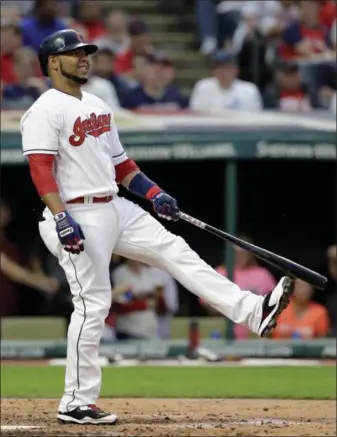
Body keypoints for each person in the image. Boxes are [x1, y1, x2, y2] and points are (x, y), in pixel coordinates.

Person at [20, 29, 294, 425]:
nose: (84, 58)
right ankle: (75, 401)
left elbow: (122, 166)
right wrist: (62, 217)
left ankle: (252, 310)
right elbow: (40, 169)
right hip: (76, 212)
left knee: (176, 250)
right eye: (75, 53)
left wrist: (154, 194)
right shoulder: (45, 109)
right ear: (52, 63)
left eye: (86, 52)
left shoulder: (97, 103)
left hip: (114, 203)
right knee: (93, 304)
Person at [201, 235, 277, 339]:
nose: (240, 256)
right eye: (236, 252)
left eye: (243, 252)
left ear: (250, 254)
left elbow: (274, 303)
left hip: (253, 330)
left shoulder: (262, 274)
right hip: (222, 330)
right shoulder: (220, 272)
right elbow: (206, 301)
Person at [0, 199, 59, 317]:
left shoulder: (11, 247)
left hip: (9, 313)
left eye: (3, 208)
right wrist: (43, 283)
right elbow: (8, 267)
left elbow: (31, 263)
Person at [189, 51, 263, 113]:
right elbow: (195, 115)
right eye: (218, 69)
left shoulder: (249, 90)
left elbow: (256, 117)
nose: (222, 73)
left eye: (226, 68)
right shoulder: (202, 87)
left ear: (235, 71)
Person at [110, 259, 160, 340]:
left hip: (150, 330)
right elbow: (120, 305)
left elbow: (158, 299)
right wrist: (143, 303)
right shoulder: (120, 273)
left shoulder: (149, 272)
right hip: (129, 330)